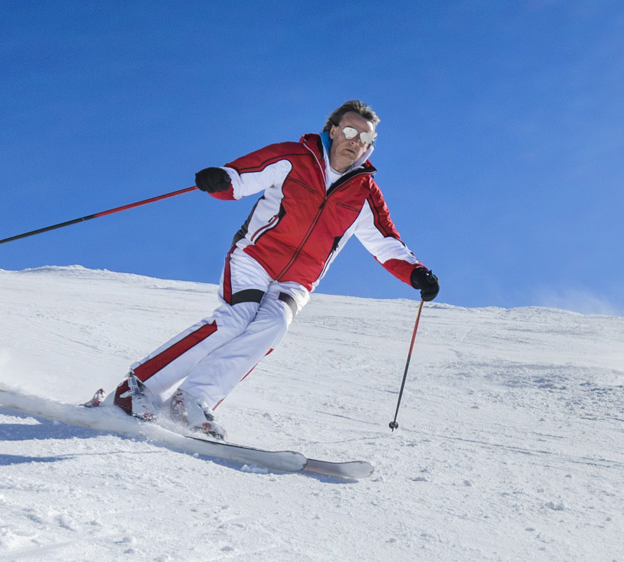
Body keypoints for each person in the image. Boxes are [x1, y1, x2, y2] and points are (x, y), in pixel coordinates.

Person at [97, 100, 439, 439]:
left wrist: (415, 272)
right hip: (255, 259)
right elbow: (243, 176)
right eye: (350, 131)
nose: (356, 142)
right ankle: (137, 387)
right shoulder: (294, 157)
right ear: (333, 130)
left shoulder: (364, 192)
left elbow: (385, 242)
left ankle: (191, 401)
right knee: (236, 317)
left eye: (365, 139)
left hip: (297, 281)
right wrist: (223, 180)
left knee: (272, 326)